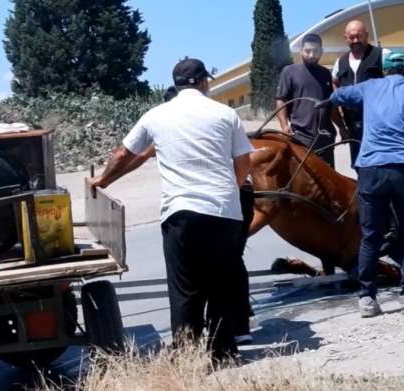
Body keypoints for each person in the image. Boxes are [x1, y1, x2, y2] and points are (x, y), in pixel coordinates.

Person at [89, 58, 253, 359]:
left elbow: (126, 152)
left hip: (181, 213)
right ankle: (223, 355)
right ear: (205, 82)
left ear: (176, 84)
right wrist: (229, 191)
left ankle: (188, 355)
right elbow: (243, 162)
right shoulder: (226, 114)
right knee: (221, 285)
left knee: (185, 288)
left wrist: (103, 179)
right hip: (223, 212)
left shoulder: (156, 115)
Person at [323, 50, 404, 317]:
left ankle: (368, 300)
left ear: (385, 71)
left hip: (372, 170)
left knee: (370, 236)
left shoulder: (370, 87)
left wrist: (326, 101)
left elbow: (341, 95)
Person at [275, 33, 337, 167]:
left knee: (327, 182)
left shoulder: (326, 74)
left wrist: (342, 127)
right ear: (301, 51)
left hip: (325, 138)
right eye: (307, 51)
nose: (311, 55)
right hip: (301, 137)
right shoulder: (289, 72)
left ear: (321, 51)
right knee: (303, 182)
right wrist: (284, 126)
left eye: (315, 51)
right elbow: (281, 100)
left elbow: (331, 105)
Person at [332, 20, 385, 166]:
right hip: (352, 126)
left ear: (366, 35)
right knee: (358, 164)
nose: (355, 40)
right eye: (351, 37)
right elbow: (334, 83)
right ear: (346, 38)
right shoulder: (340, 62)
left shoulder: (382, 55)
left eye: (359, 36)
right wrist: (341, 109)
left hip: (378, 126)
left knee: (379, 165)